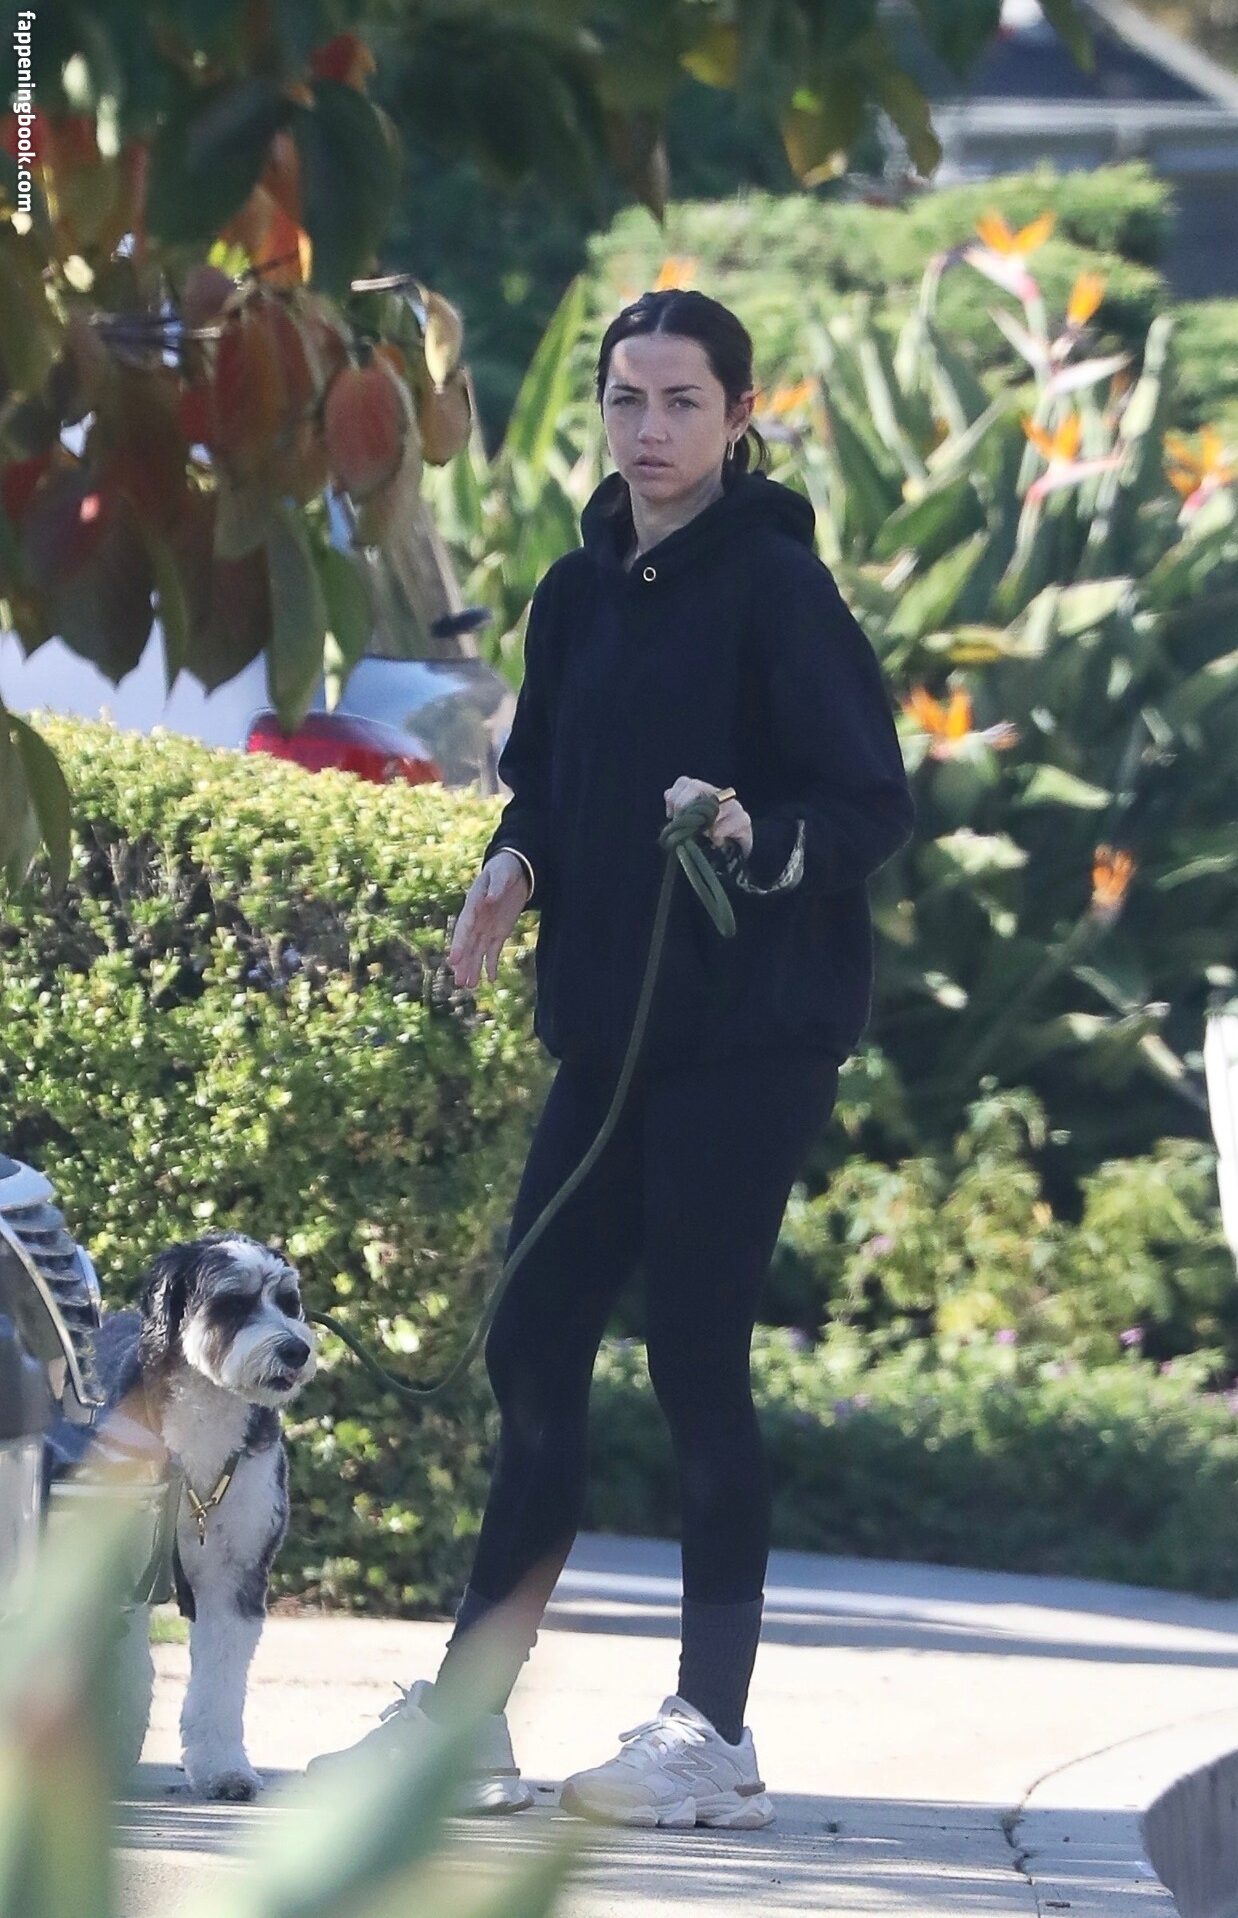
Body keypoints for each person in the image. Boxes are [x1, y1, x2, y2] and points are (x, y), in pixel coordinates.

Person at [309, 288, 914, 1827]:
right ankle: (467, 1725)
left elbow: (868, 806)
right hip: (606, 1031)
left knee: (696, 1357)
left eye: (682, 402)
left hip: (751, 1037)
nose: (650, 431)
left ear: (739, 417)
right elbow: (546, 789)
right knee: (532, 1346)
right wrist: (511, 872)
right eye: (627, 399)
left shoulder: (778, 587)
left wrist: (754, 833)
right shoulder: (576, 595)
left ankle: (714, 1736)